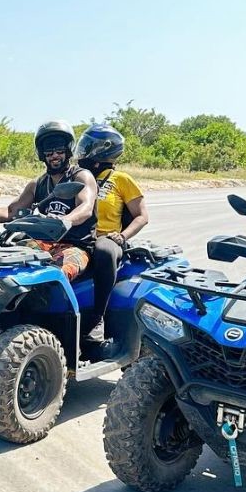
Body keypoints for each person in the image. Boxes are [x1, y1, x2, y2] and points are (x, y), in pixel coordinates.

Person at [0, 120, 97, 282]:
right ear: (42, 155)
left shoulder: (81, 176)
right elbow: (11, 211)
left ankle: (62, 307)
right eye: (49, 152)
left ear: (68, 150)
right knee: (1, 265)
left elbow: (85, 208)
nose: (54, 155)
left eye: (59, 150)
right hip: (43, 243)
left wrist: (65, 220)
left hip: (76, 246)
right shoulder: (38, 184)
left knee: (55, 275)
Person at [77, 123, 148, 339]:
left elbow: (142, 216)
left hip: (106, 238)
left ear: (102, 149)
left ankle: (98, 317)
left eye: (88, 145)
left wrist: (122, 236)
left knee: (104, 251)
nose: (82, 150)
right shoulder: (77, 176)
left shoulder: (121, 180)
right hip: (76, 237)